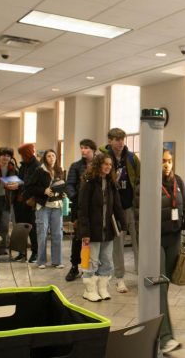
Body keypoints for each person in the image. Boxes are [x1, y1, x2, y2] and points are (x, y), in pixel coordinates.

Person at [157, 148, 185, 353]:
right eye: (163, 161)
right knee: (159, 286)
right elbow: (138, 214)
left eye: (169, 161)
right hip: (154, 240)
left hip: (173, 238)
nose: (167, 164)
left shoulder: (178, 182)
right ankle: (165, 337)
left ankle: (157, 330)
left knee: (164, 286)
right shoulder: (146, 183)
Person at [78, 154, 127, 302]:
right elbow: (82, 209)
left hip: (107, 230)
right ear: (98, 164)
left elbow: (117, 206)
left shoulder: (111, 183)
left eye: (110, 165)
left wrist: (123, 224)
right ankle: (89, 290)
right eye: (105, 164)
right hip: (92, 231)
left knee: (106, 260)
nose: (108, 167)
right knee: (91, 261)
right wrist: (84, 232)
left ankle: (102, 288)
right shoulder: (89, 183)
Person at [99, 128, 140, 293]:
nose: (120, 142)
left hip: (131, 206)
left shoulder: (131, 158)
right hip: (114, 209)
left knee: (139, 242)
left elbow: (140, 178)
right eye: (116, 139)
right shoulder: (103, 159)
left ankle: (141, 273)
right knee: (118, 246)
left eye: (122, 139)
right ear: (110, 141)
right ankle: (120, 278)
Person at [26, 149, 65, 269]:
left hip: (57, 206)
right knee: (42, 233)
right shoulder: (39, 170)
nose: (51, 158)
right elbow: (30, 187)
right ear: (45, 158)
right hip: (43, 206)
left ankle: (57, 261)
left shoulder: (59, 170)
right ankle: (41, 261)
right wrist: (44, 190)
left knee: (57, 234)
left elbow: (63, 185)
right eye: (49, 156)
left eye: (53, 155)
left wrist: (63, 193)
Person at [65, 139, 97, 282]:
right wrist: (77, 198)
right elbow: (69, 185)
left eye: (86, 148)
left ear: (93, 150)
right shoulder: (76, 166)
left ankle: (90, 267)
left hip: (96, 207)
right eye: (82, 148)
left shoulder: (99, 164)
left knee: (93, 240)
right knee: (79, 238)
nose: (83, 150)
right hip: (79, 207)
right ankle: (74, 266)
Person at [14, 143, 40, 263]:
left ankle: (35, 252)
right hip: (19, 200)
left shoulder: (37, 166)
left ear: (28, 153)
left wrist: (20, 184)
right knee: (20, 227)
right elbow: (21, 180)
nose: (21, 157)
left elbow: (32, 183)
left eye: (23, 154)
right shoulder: (23, 166)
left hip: (30, 202)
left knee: (32, 228)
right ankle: (21, 252)